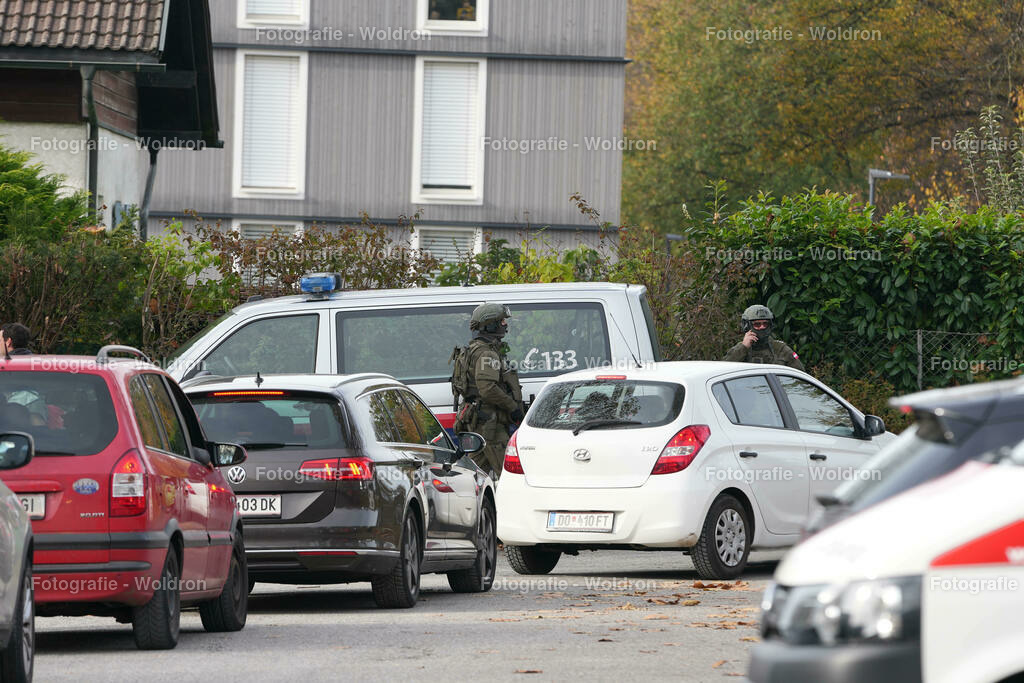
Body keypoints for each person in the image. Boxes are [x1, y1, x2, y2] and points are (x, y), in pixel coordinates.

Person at [451, 303, 523, 479]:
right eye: (502, 321)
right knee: (509, 475)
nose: (505, 324)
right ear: (491, 325)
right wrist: (513, 407)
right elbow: (487, 388)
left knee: (475, 475)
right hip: (490, 424)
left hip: (479, 421)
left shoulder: (474, 349)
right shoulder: (486, 354)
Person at [723, 305, 805, 370]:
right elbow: (723, 370)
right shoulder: (740, 349)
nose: (762, 327)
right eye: (757, 324)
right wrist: (743, 347)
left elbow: (800, 375)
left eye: (765, 324)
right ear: (747, 326)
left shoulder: (780, 349)